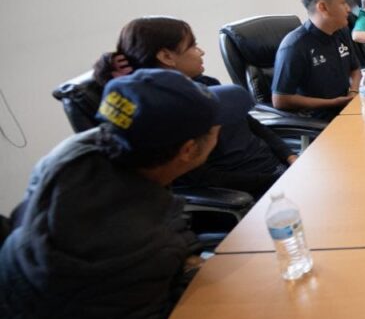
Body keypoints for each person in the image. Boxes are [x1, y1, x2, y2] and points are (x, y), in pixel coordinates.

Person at [0, 69, 246, 319]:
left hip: (34, 313)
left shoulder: (79, 150)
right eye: (215, 128)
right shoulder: (134, 245)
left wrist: (185, 255)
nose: (220, 132)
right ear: (188, 150)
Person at [94, 16, 296, 197]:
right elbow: (201, 177)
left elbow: (252, 124)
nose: (201, 51)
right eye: (193, 46)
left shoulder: (207, 83)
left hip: (277, 171)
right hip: (254, 191)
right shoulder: (164, 115)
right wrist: (274, 181)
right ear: (166, 57)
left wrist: (290, 156)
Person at [272, 0, 362, 120]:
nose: (348, 9)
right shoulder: (293, 46)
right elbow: (280, 100)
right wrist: (332, 103)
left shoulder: (341, 31)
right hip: (319, 120)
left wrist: (354, 91)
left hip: (348, 107)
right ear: (323, 7)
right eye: (343, 3)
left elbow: (355, 69)